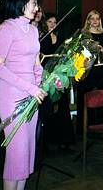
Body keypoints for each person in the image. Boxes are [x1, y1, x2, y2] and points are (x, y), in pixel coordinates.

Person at [0, 0, 47, 190]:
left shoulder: (33, 30)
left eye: (36, 3)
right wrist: (30, 88)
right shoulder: (6, 28)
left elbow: (35, 63)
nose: (37, 7)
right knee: (16, 152)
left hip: (32, 94)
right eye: (33, 3)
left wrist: (42, 83)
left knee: (27, 152)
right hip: (12, 96)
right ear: (20, 3)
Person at [38, 12, 75, 151]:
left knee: (63, 107)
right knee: (47, 108)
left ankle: (64, 141)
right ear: (45, 23)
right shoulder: (40, 39)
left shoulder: (61, 38)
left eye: (55, 22)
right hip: (46, 78)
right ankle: (46, 142)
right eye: (50, 22)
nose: (53, 24)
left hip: (59, 77)